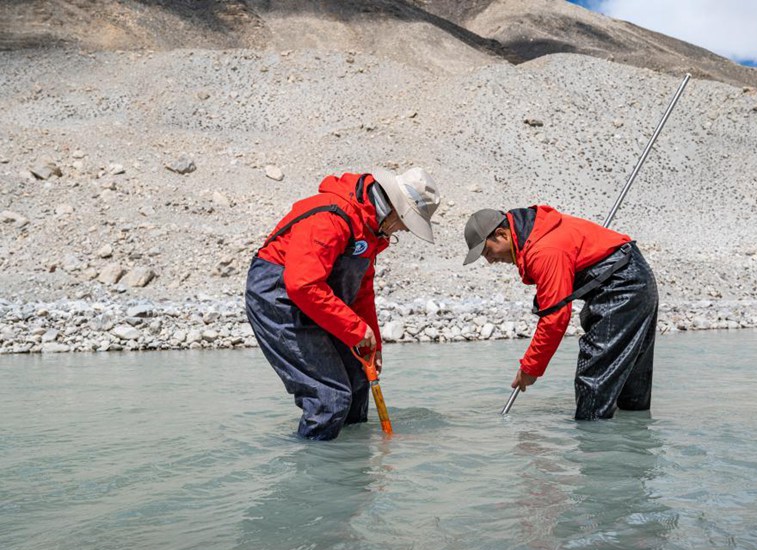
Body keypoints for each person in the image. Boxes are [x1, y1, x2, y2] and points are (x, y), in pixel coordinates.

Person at [246, 168, 440, 440]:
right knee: (329, 399)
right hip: (278, 298)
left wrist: (371, 342)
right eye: (406, 222)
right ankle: (317, 475)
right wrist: (355, 330)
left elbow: (361, 290)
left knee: (359, 380)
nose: (404, 229)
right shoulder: (331, 217)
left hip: (320, 296)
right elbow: (302, 284)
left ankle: (352, 471)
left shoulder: (371, 229)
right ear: (394, 208)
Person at [462, 206, 658, 420]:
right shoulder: (539, 231)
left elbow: (555, 318)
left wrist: (530, 368)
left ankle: (593, 448)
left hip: (622, 287)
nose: (489, 261)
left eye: (488, 252)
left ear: (502, 234)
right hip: (634, 278)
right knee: (631, 390)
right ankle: (634, 446)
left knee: (593, 385)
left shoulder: (543, 250)